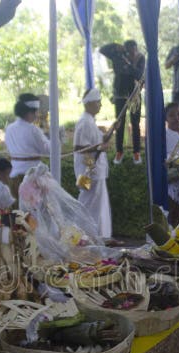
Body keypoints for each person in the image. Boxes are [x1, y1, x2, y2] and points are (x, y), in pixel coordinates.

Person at [73, 88, 112, 239]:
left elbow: (100, 141)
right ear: (89, 104)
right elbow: (79, 147)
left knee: (98, 203)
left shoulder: (90, 121)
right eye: (98, 102)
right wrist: (98, 149)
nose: (100, 105)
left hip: (94, 169)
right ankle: (83, 234)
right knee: (88, 201)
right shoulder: (85, 122)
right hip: (88, 170)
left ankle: (100, 235)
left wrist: (113, 129)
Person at [99, 40, 145, 165]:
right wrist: (114, 46)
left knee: (135, 123)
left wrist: (129, 63)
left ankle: (136, 152)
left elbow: (139, 74)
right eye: (129, 51)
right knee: (119, 123)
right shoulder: (117, 56)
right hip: (119, 94)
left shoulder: (140, 58)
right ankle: (119, 151)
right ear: (125, 50)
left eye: (134, 51)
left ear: (136, 49)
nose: (132, 53)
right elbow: (102, 49)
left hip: (134, 95)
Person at [5, 93, 51, 199]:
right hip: (32, 177)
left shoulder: (9, 129)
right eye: (35, 112)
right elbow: (48, 150)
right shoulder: (33, 130)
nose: (37, 115)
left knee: (19, 212)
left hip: (14, 176)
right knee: (34, 212)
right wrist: (56, 139)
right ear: (29, 112)